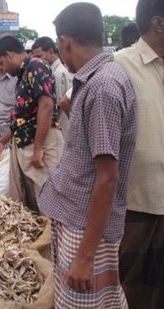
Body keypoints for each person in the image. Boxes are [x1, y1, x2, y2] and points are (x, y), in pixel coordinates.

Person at [38, 3, 138, 308]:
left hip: (85, 230)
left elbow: (107, 178)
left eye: (57, 45)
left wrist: (85, 256)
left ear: (65, 41)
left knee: (85, 302)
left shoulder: (103, 87)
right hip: (78, 222)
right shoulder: (95, 81)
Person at [114, 0, 164, 307]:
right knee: (137, 292)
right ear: (159, 23)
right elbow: (70, 102)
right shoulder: (119, 65)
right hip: (138, 204)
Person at [0, 36, 63, 211]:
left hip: (41, 143)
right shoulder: (23, 74)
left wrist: (38, 149)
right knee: (30, 201)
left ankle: (52, 238)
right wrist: (2, 140)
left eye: (1, 63)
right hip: (26, 142)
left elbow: (46, 106)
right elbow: (22, 117)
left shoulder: (36, 66)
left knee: (46, 199)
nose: (2, 69)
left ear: (9, 55)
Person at [32, 36, 73, 137]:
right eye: (34, 57)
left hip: (61, 129)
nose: (36, 61)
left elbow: (55, 107)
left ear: (51, 52)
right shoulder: (51, 71)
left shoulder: (58, 74)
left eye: (39, 56)